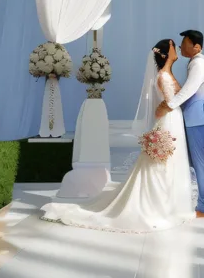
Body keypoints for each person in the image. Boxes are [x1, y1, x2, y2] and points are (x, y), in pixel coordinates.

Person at [40, 39, 193, 233]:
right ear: (165, 54)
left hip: (174, 120)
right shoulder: (163, 76)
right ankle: (159, 205)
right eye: (173, 46)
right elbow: (168, 102)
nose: (177, 48)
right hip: (169, 121)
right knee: (160, 162)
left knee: (170, 161)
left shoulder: (168, 74)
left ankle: (171, 203)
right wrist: (166, 109)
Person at [156, 30, 204, 218]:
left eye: (184, 43)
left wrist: (169, 105)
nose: (181, 46)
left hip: (196, 117)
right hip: (193, 116)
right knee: (189, 160)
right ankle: (186, 199)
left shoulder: (199, 63)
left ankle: (203, 207)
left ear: (196, 47)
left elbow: (190, 89)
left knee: (198, 162)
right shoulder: (195, 62)